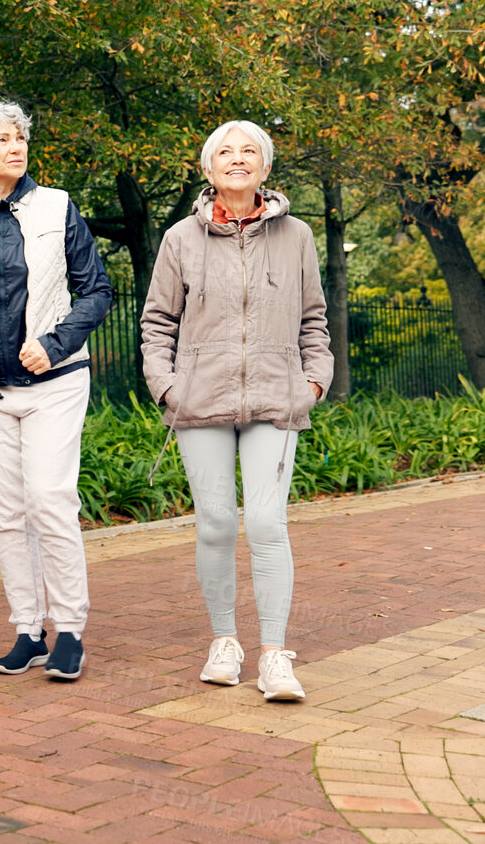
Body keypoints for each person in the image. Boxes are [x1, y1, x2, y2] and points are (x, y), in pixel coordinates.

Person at [139, 119, 331, 701]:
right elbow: (156, 323)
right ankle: (226, 640)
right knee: (217, 524)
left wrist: (314, 383)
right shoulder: (180, 240)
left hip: (277, 398)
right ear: (209, 168)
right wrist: (168, 387)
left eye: (251, 151)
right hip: (201, 400)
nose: (239, 159)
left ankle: (274, 653)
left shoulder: (296, 235)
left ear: (266, 169)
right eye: (226, 152)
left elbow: (314, 320)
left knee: (269, 524)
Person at [0, 102, 113, 680]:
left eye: (20, 137)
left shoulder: (58, 206)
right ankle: (28, 630)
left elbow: (97, 291)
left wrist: (55, 344)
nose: (15, 146)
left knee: (50, 501)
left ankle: (71, 630)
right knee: (6, 513)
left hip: (55, 384)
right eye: (1, 139)